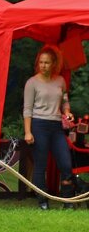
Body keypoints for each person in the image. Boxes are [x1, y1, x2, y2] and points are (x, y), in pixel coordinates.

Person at [23, 44, 75, 210]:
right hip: (38, 124)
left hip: (56, 126)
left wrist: (67, 111)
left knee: (66, 163)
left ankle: (68, 200)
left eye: (47, 62)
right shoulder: (31, 83)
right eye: (41, 62)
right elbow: (27, 109)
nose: (43, 65)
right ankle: (42, 201)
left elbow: (65, 99)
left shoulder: (60, 80)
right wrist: (28, 132)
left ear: (54, 64)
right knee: (40, 164)